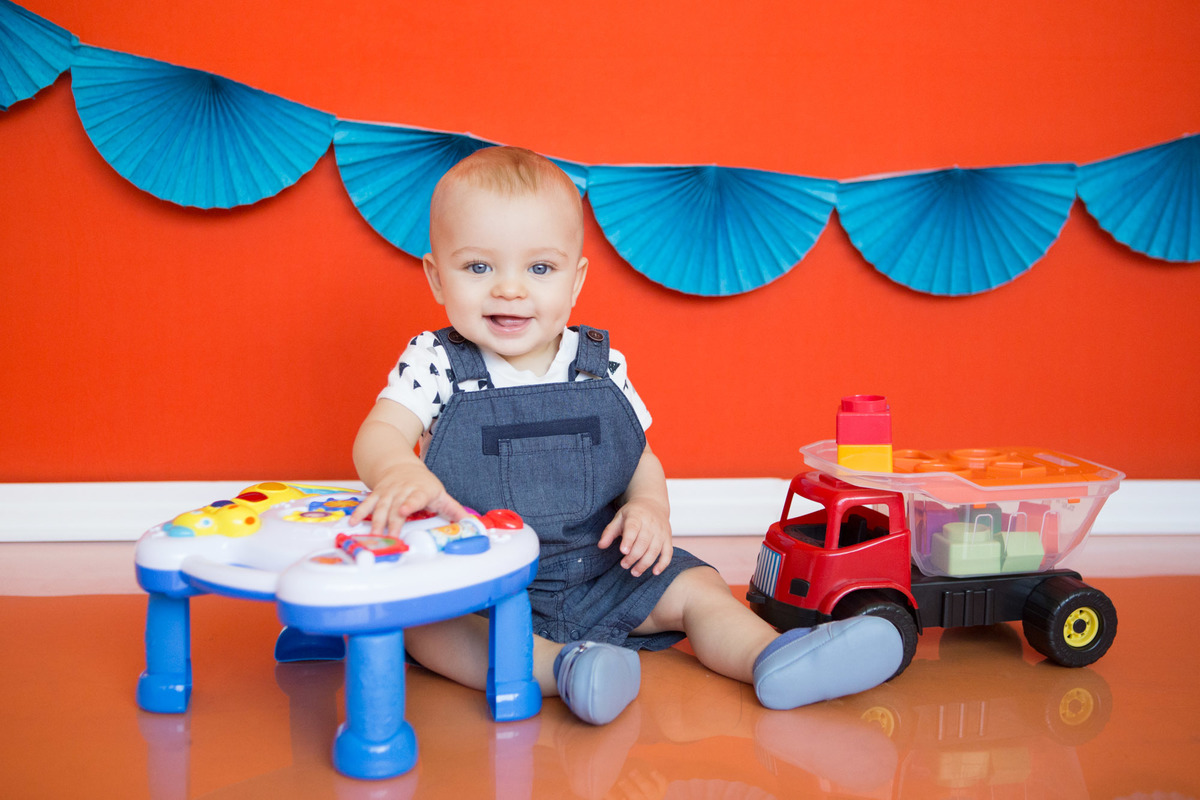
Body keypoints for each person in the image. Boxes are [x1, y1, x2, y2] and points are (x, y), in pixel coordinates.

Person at [349, 146, 902, 725]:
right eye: (479, 267)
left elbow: (639, 457)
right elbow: (381, 431)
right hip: (481, 580)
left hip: (601, 569)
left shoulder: (598, 364)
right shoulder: (436, 360)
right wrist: (399, 470)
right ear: (437, 276)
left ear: (576, 279)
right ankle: (565, 669)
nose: (510, 289)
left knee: (697, 590)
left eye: (539, 269)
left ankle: (775, 657)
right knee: (424, 624)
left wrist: (648, 507)